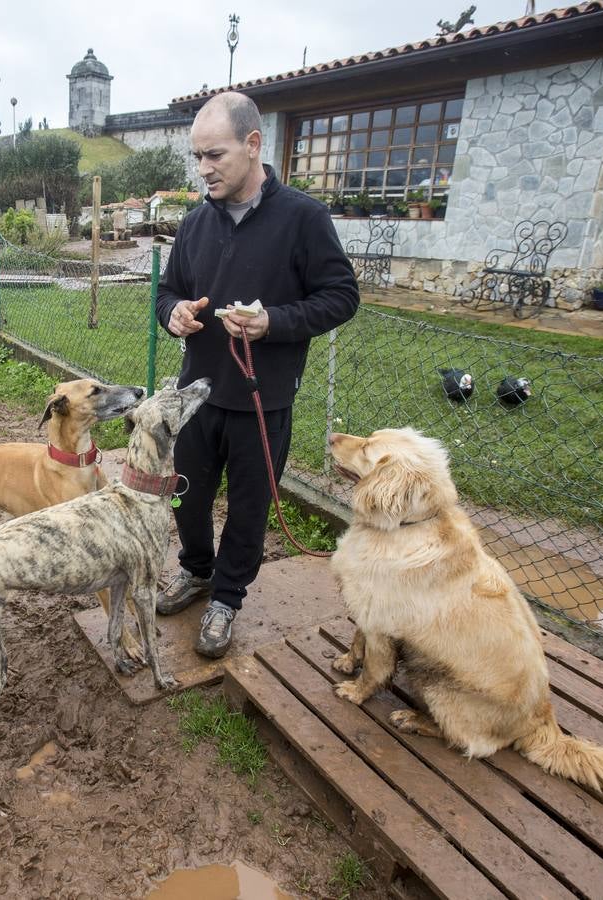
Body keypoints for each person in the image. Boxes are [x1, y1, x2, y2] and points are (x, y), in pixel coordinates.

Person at [155, 92, 359, 658]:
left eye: (214, 154)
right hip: (196, 395)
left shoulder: (303, 218)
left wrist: (275, 322)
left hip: (262, 399)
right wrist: (172, 314)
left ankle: (226, 596)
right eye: (197, 157)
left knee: (248, 508)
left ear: (252, 145)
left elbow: (342, 297)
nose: (204, 169)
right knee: (186, 498)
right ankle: (195, 570)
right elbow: (168, 291)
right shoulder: (195, 224)